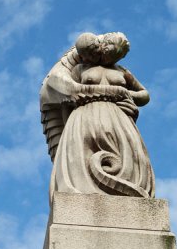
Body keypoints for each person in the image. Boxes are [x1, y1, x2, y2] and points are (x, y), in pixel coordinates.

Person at [40, 32, 155, 200]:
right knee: (81, 162)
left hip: (118, 118)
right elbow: (66, 99)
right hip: (84, 116)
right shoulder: (80, 69)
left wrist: (127, 96)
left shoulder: (123, 72)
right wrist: (68, 126)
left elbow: (144, 95)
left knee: (130, 161)